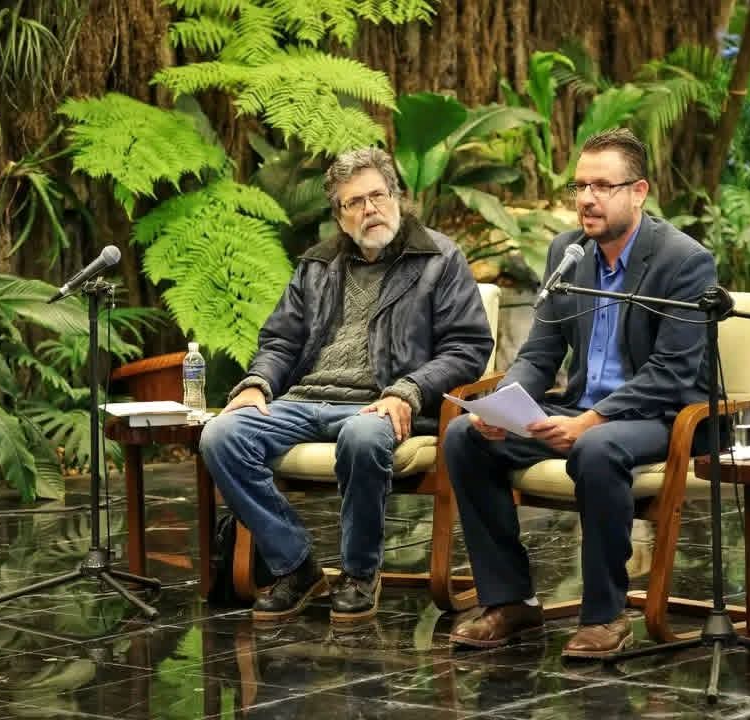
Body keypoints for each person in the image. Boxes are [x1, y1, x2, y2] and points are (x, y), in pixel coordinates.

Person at [443, 128, 717, 660]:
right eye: (580, 186)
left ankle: (605, 616)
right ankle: (511, 601)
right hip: (581, 408)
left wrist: (591, 421)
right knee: (464, 437)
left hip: (664, 414)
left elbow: (673, 372)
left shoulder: (683, 260)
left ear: (638, 192)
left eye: (602, 186)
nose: (587, 199)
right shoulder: (568, 252)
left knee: (597, 447)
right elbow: (540, 352)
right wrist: (502, 407)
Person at [200, 147, 493, 624]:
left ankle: (359, 574)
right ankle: (295, 565)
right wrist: (257, 383)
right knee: (221, 435)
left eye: (378, 195)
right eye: (354, 202)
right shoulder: (317, 264)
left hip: (382, 402)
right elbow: (281, 340)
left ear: (397, 196)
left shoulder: (439, 259)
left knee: (362, 435)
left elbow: (467, 348)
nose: (369, 209)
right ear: (339, 215)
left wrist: (408, 390)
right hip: (305, 399)